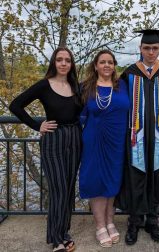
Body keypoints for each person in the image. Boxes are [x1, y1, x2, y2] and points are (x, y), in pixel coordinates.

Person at [9, 47, 82, 252]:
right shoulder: (44, 85)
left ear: (71, 64)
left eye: (67, 60)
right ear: (54, 62)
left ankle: (64, 231)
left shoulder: (74, 85)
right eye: (59, 60)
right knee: (58, 189)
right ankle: (56, 239)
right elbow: (15, 105)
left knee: (68, 189)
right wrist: (36, 125)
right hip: (53, 139)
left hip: (74, 139)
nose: (64, 63)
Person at [115, 29, 159, 245]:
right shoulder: (129, 73)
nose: (151, 52)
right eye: (147, 48)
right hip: (136, 136)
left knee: (155, 178)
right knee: (135, 178)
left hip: (158, 135)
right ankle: (134, 221)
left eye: (155, 48)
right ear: (140, 49)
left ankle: (152, 220)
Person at [79, 50, 129, 248]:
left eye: (110, 62)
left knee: (112, 181)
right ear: (96, 65)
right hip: (94, 140)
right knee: (96, 181)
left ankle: (110, 221)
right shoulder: (86, 87)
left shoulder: (122, 86)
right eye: (102, 62)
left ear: (114, 65)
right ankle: (100, 225)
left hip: (117, 141)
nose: (106, 65)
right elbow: (75, 114)